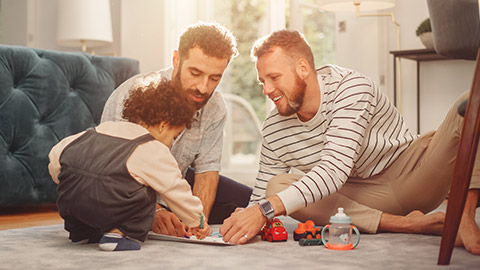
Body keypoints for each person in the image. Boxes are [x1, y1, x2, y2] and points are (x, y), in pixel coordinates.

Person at [220, 29, 480, 255]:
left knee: (471, 100)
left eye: (274, 78)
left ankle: (465, 217)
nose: (266, 90)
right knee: (277, 187)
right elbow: (262, 194)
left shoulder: (350, 87)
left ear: (302, 67)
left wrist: (264, 210)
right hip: (360, 197)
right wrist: (246, 215)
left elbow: (333, 171)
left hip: (413, 173)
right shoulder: (275, 127)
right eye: (262, 81)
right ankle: (412, 224)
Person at [101, 22, 253, 237]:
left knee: (250, 204)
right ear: (176, 60)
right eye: (195, 73)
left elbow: (207, 170)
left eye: (214, 78)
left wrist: (198, 222)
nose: (203, 87)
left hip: (177, 180)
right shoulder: (133, 95)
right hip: (124, 182)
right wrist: (153, 212)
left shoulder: (215, 107)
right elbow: (112, 172)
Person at [48, 79, 211, 251]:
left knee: (82, 181)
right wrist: (196, 220)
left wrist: (66, 181)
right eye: (174, 136)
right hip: (108, 206)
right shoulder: (152, 149)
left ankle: (82, 234)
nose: (171, 143)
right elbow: (176, 190)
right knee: (146, 195)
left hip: (70, 203)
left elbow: (56, 157)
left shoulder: (99, 130)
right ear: (163, 126)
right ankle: (116, 235)